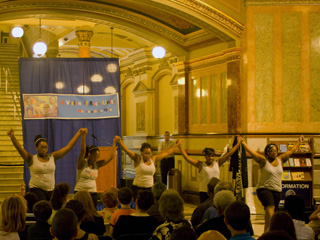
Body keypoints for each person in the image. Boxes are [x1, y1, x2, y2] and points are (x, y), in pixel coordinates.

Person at [241, 135, 304, 232]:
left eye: (275, 151)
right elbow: (252, 153)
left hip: (277, 190)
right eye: (271, 151)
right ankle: (272, 232)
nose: (274, 152)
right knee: (270, 208)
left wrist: (299, 141)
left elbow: (291, 151)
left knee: (270, 211)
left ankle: (266, 232)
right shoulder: (263, 160)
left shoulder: (280, 159)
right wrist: (243, 142)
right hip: (264, 189)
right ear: (267, 152)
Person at [7, 128, 86, 201]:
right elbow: (20, 149)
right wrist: (12, 136)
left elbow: (68, 147)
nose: (44, 149)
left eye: (46, 147)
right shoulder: (31, 158)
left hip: (50, 190)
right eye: (41, 147)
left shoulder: (53, 157)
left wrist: (79, 133)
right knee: (43, 205)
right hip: (36, 189)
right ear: (36, 148)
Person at [178, 136, 243, 203]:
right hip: (204, 192)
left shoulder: (217, 163)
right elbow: (187, 158)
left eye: (212, 156)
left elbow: (229, 154)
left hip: (215, 191)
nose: (211, 158)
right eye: (209, 156)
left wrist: (238, 143)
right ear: (205, 156)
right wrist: (179, 146)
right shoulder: (201, 164)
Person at [114, 136, 181, 199]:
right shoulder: (138, 159)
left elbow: (167, 153)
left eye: (149, 153)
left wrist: (176, 145)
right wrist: (120, 142)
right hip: (138, 188)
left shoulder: (153, 159)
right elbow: (127, 151)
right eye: (146, 153)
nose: (147, 155)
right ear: (142, 153)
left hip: (150, 188)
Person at [74, 129, 116, 207]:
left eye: (97, 157)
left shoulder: (97, 165)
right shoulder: (82, 163)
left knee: (93, 212)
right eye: (94, 157)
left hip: (93, 193)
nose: (96, 159)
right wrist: (83, 136)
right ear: (89, 154)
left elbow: (111, 157)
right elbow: (82, 151)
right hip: (80, 192)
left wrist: (114, 143)